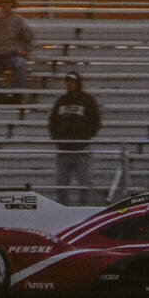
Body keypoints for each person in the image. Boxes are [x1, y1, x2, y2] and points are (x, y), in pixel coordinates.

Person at [48, 71, 102, 205]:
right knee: (61, 182)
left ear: (78, 83)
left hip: (81, 147)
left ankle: (85, 207)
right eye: (68, 82)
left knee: (84, 181)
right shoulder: (61, 100)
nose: (70, 85)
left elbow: (95, 121)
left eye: (73, 82)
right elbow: (52, 121)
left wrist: (85, 137)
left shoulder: (87, 100)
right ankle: (61, 207)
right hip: (63, 148)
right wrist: (57, 139)